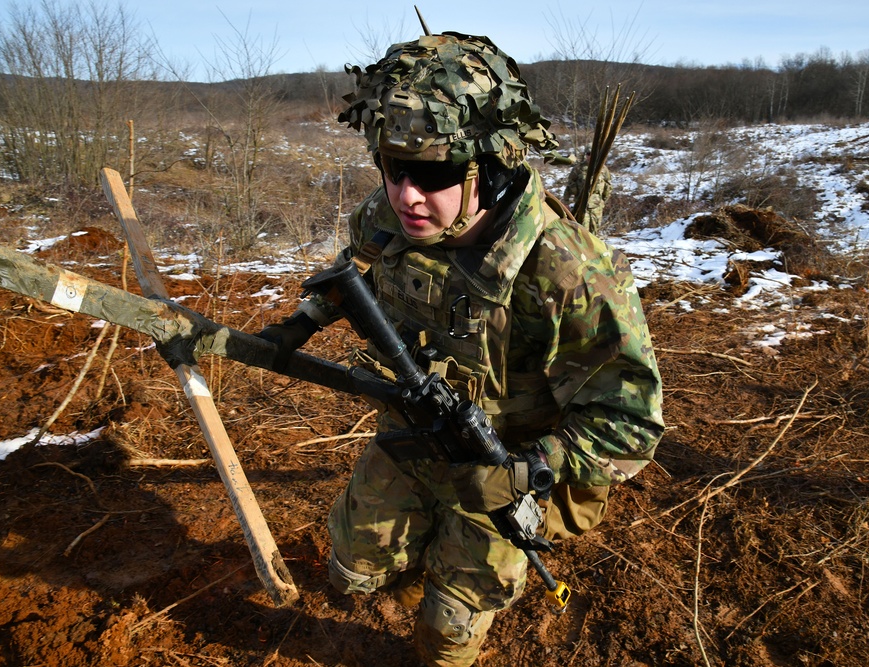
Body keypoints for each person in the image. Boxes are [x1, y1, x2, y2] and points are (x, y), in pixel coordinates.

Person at [260, 32, 663, 667]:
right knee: (350, 570)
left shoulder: (566, 271)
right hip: (405, 437)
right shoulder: (390, 215)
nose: (406, 195)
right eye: (392, 167)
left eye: (434, 172)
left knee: (447, 634)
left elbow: (630, 421)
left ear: (491, 166)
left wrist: (526, 472)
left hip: (500, 470)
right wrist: (303, 321)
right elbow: (357, 268)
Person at [563, 152, 613, 234]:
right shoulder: (578, 168)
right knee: (582, 229)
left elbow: (608, 186)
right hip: (582, 204)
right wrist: (566, 202)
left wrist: (603, 201)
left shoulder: (603, 169)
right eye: (589, 154)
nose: (591, 156)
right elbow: (570, 185)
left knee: (595, 229)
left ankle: (593, 246)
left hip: (596, 206)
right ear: (586, 155)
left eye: (593, 154)